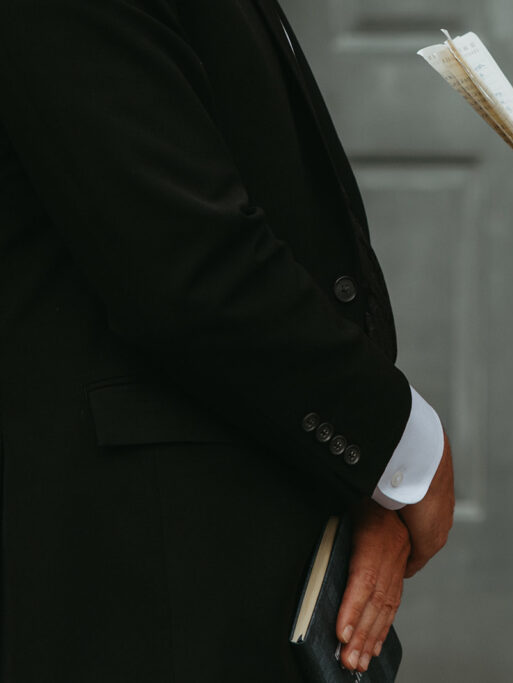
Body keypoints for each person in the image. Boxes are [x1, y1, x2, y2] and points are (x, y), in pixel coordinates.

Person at [0, 0, 453, 679]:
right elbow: (184, 266)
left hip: (240, 522)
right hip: (143, 565)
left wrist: (362, 479)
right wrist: (397, 443)